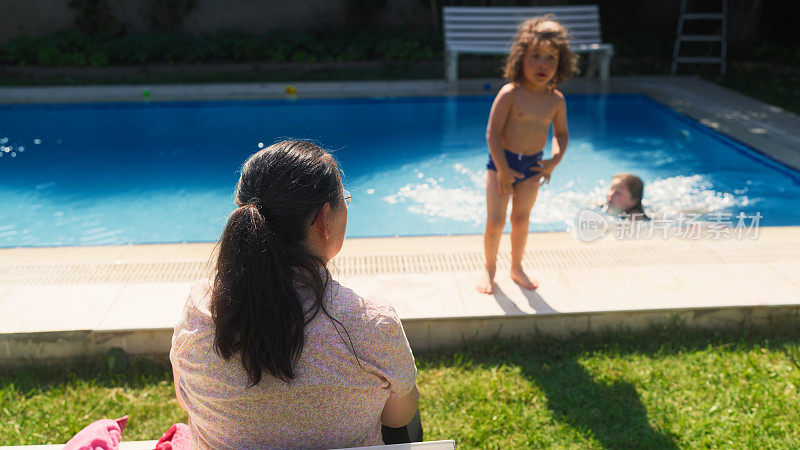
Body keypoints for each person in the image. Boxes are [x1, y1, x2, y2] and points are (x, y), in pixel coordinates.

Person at [170, 140, 420, 448]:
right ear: (322, 220)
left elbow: (185, 400)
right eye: (345, 199)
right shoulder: (370, 323)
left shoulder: (201, 308)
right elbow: (399, 418)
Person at [478, 16, 577, 294]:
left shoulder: (556, 100)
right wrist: (503, 169)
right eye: (535, 56)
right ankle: (489, 268)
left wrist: (554, 160)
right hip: (502, 163)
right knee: (496, 221)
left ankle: (516, 266)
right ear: (520, 58)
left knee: (521, 219)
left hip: (533, 165)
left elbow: (561, 135)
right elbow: (492, 133)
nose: (542, 64)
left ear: (561, 63)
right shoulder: (510, 93)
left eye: (550, 58)